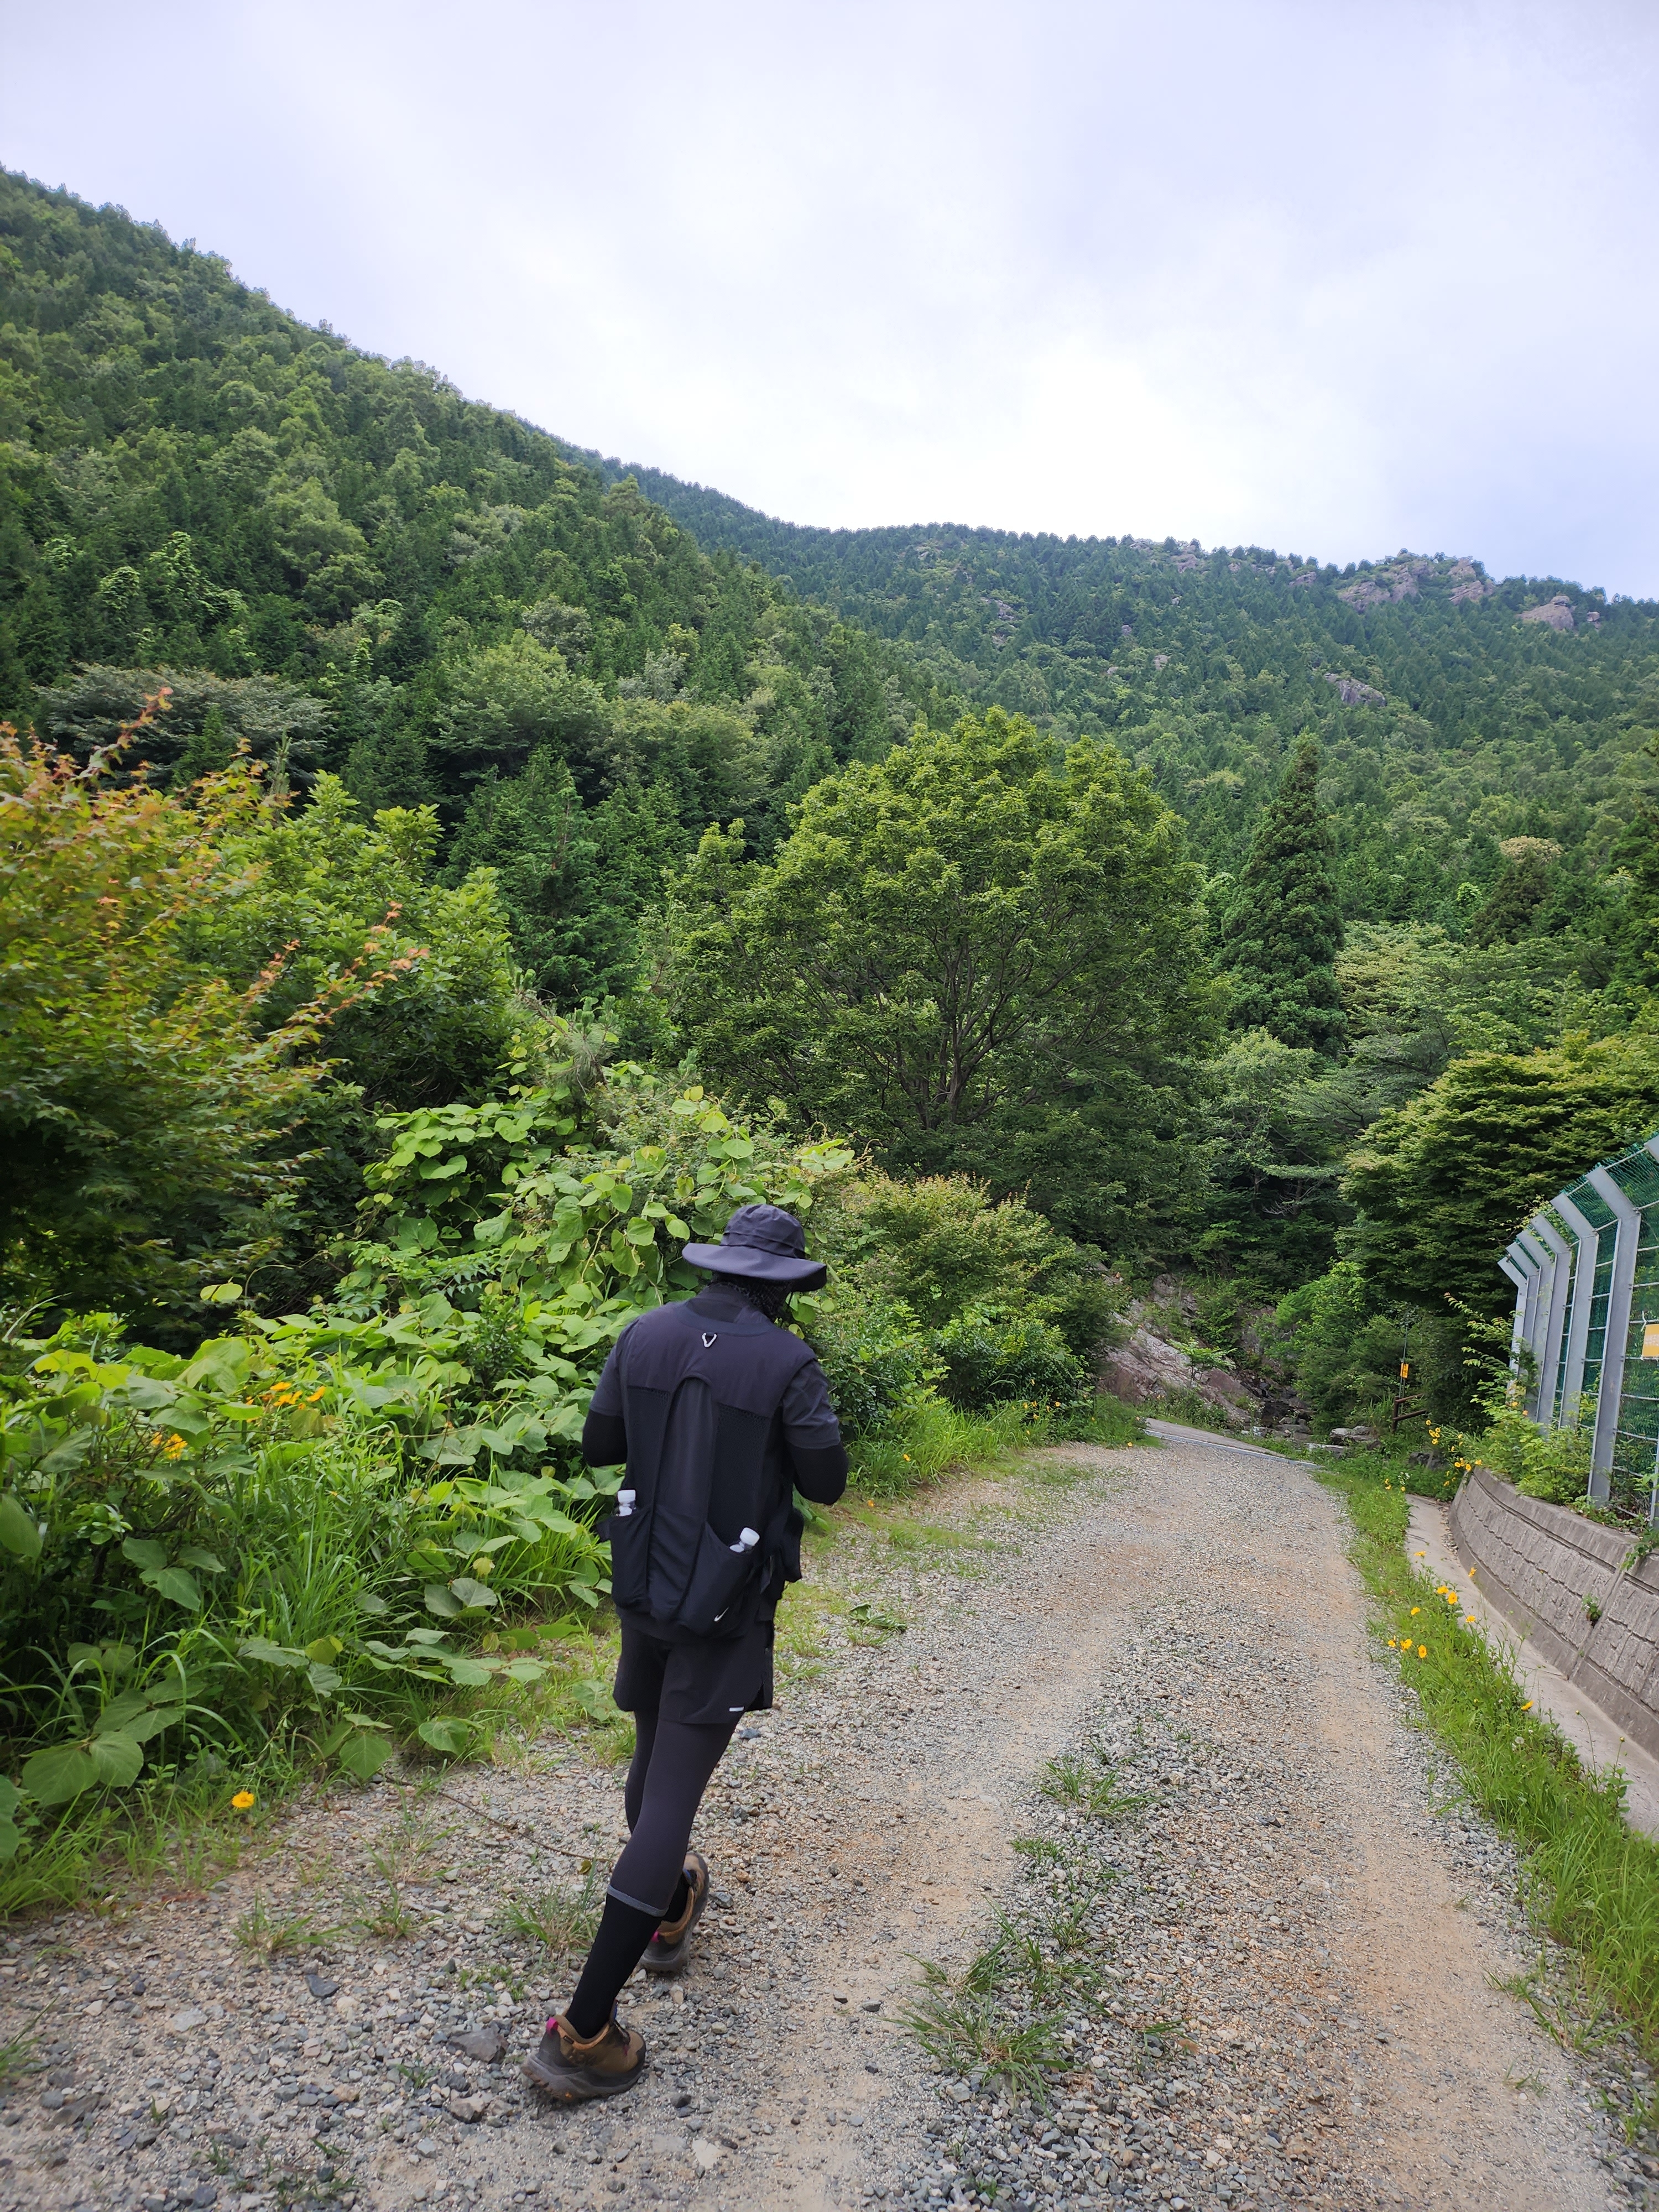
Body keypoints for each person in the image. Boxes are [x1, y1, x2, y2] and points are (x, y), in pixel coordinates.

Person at [523, 1203, 849, 2103]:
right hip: (727, 1598)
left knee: (651, 1746)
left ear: (716, 1267)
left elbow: (601, 1445)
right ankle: (583, 2033)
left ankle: (667, 1914)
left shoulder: (644, 1334)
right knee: (673, 1793)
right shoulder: (789, 1361)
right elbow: (825, 1480)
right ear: (782, 1283)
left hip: (645, 1581)